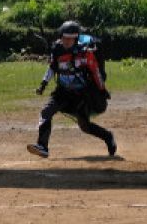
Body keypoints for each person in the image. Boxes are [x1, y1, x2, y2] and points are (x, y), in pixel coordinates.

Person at [28, 21, 116, 159]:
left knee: (85, 126)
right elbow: (52, 67)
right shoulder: (57, 49)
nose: (66, 41)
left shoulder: (85, 54)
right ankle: (42, 146)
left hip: (81, 95)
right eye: (64, 37)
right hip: (62, 92)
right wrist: (43, 83)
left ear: (76, 39)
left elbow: (95, 72)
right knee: (46, 112)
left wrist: (102, 89)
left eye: (70, 38)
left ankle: (108, 137)